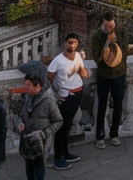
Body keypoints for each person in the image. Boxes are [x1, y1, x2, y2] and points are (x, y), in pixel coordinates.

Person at [45, 34, 89, 168]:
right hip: (65, 96)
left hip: (77, 93)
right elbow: (49, 80)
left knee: (68, 125)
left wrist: (81, 70)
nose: (72, 45)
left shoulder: (78, 56)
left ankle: (65, 153)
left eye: (74, 43)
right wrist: (57, 96)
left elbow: (85, 75)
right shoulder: (57, 61)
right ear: (65, 43)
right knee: (62, 127)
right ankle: (58, 157)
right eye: (70, 43)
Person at [87, 11, 128, 149]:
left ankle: (114, 133)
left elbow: (125, 50)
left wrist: (116, 40)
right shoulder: (97, 36)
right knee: (102, 105)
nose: (110, 29)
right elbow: (96, 57)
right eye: (107, 26)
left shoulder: (121, 30)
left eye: (112, 26)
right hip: (104, 74)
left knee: (118, 104)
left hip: (119, 73)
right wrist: (107, 43)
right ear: (103, 24)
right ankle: (100, 135)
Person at [15, 72, 62, 180]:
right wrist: (20, 123)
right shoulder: (27, 98)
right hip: (27, 141)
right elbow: (20, 115)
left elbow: (58, 121)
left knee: (39, 174)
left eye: (28, 85)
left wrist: (43, 134)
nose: (25, 87)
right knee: (29, 172)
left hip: (41, 145)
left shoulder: (49, 101)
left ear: (37, 86)